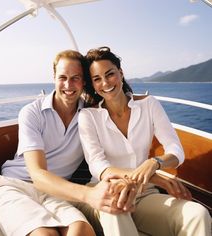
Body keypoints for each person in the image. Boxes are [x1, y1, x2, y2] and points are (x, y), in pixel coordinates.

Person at [0, 49, 136, 236]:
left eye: (75, 78)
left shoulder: (90, 116)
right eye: (62, 77)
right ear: (54, 78)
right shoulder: (32, 113)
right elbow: (38, 175)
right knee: (44, 235)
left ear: (84, 82)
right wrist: (89, 195)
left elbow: (120, 108)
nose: (68, 84)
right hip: (15, 187)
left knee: (82, 231)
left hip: (57, 192)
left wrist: (140, 175)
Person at [78, 46, 211, 236]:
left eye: (110, 74)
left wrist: (154, 162)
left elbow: (175, 150)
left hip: (144, 194)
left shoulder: (149, 104)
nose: (105, 83)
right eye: (97, 79)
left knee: (197, 214)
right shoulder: (88, 116)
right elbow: (98, 166)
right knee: (116, 210)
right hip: (107, 191)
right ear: (93, 85)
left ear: (121, 73)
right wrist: (150, 176)